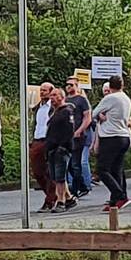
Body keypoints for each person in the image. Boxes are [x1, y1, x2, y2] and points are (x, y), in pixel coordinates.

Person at [92, 74, 131, 212]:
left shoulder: (110, 98)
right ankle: (115, 201)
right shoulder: (126, 98)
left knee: (102, 169)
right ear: (122, 85)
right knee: (116, 169)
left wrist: (100, 115)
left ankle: (119, 194)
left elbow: (94, 113)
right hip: (124, 136)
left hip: (111, 137)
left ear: (110, 86)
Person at [42, 84, 78, 212]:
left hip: (61, 149)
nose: (52, 98)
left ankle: (61, 201)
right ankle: (69, 198)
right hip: (52, 148)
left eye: (55, 95)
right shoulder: (54, 112)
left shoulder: (66, 111)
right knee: (55, 176)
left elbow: (69, 131)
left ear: (62, 97)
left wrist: (62, 146)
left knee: (60, 177)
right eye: (51, 95)